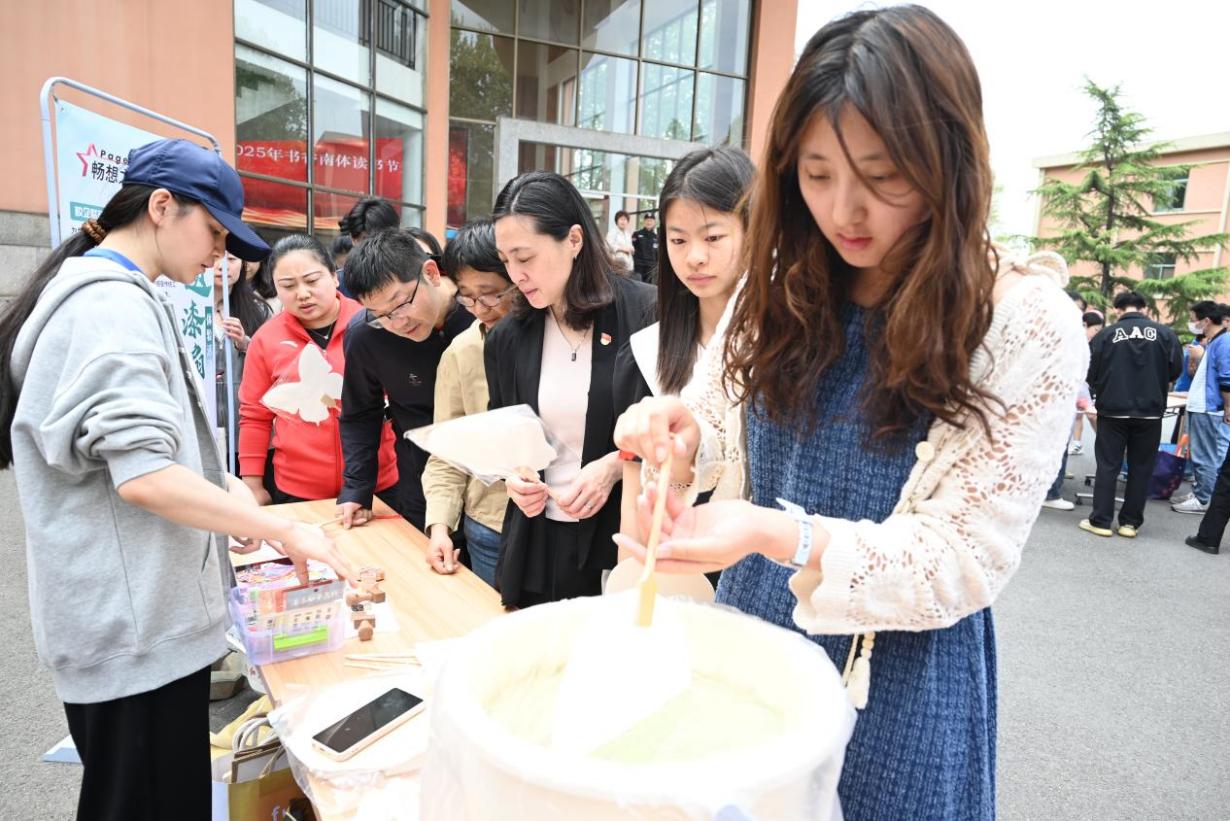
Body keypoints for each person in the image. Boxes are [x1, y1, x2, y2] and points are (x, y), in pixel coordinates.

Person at [610, 8, 1088, 818]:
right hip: (755, 643)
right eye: (817, 173)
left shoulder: (1023, 320)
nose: (845, 212)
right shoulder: (781, 282)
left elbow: (963, 556)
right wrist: (678, 434)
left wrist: (779, 534)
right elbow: (716, 417)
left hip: (897, 682)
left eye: (882, 175)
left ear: (949, 161)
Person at [0, 138, 352, 819]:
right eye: (215, 231)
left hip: (136, 624)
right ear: (162, 207)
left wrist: (231, 497)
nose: (220, 254)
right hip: (133, 633)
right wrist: (279, 528)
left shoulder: (115, 295)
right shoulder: (109, 306)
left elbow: (158, 458)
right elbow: (147, 476)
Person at [487, 170, 656, 607]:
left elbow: (674, 430)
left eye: (525, 257)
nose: (516, 274)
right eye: (506, 260)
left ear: (574, 240)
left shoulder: (645, 314)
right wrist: (515, 476)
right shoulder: (509, 336)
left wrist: (615, 466)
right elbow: (505, 431)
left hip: (618, 537)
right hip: (537, 541)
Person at [612, 145, 755, 556]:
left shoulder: (785, 349)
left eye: (713, 237)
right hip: (675, 560)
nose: (694, 257)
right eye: (678, 240)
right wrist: (631, 573)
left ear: (753, 232)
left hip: (761, 564)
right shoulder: (646, 352)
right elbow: (636, 490)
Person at [237, 234, 399, 506]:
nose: (302, 294)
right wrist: (252, 485)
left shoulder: (373, 325)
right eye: (288, 286)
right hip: (297, 489)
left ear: (334, 277)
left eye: (312, 281)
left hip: (378, 485)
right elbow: (254, 416)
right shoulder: (266, 340)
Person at [336, 228, 471, 531]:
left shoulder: (480, 314)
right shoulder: (366, 335)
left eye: (401, 304)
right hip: (420, 485)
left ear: (431, 273)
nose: (398, 323)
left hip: (491, 492)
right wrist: (357, 488)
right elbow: (360, 414)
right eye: (380, 314)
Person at [422, 219, 517, 585]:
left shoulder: (557, 343)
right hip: (489, 525)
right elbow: (447, 451)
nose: (480, 308)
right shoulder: (461, 352)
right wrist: (440, 527)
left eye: (492, 294)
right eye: (467, 296)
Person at [1080, 290, 1182, 537]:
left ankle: (1101, 521)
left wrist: (1101, 387)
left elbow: (1089, 369)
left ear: (1117, 309)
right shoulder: (1165, 334)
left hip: (1113, 409)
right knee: (1141, 467)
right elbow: (1175, 369)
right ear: (1144, 308)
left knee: (1108, 465)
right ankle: (1130, 523)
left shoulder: (1105, 334)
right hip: (1150, 411)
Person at [212, 250, 273, 467]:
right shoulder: (186, 309)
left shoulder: (259, 310)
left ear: (243, 265)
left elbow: (275, 363)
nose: (222, 265)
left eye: (231, 259)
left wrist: (246, 344)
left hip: (246, 427)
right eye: (215, 258)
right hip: (204, 427)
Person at [1172, 301, 1227, 513]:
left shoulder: (1223, 342)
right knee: (1199, 454)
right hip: (1201, 405)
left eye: (1194, 320)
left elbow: (1226, 377)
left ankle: (1203, 499)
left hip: (1209, 407)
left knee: (1205, 456)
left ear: (1206, 320)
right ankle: (1199, 492)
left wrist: (1227, 406)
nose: (1193, 324)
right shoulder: (1214, 341)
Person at [336, 197, 400, 298]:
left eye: (380, 238)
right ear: (353, 239)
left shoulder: (409, 277)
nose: (374, 246)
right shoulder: (338, 284)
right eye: (366, 240)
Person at [631, 212, 658, 282]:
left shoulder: (656, 237)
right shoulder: (637, 234)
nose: (649, 222)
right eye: (647, 220)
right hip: (639, 265)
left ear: (654, 222)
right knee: (638, 283)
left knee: (648, 285)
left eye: (651, 221)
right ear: (644, 222)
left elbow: (657, 253)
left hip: (651, 266)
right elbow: (632, 249)